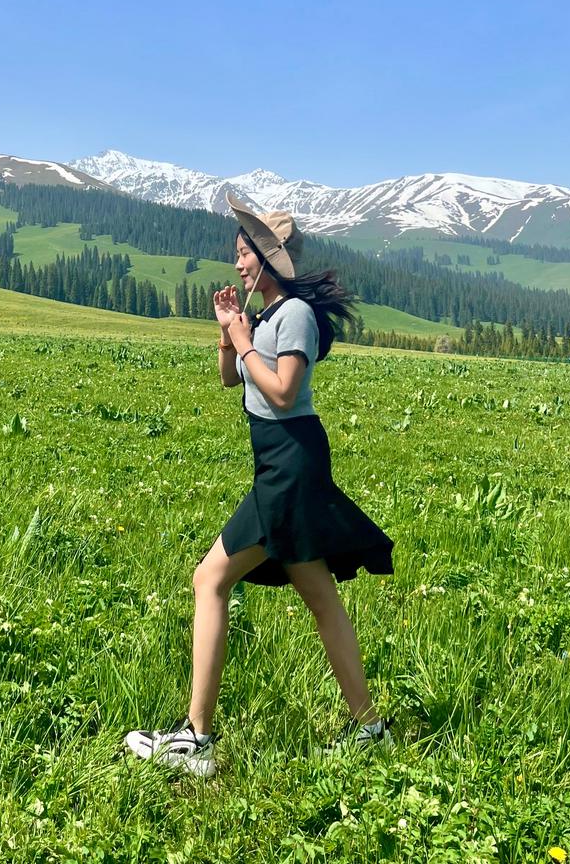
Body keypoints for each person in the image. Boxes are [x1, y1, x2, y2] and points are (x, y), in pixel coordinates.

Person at [123, 192, 394, 777]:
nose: (238, 263)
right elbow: (231, 380)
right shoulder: (266, 316)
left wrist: (245, 341)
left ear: (269, 260)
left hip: (291, 464)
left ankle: (196, 740)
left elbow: (284, 392)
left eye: (245, 254)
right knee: (321, 599)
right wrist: (228, 333)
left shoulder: (294, 314)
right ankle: (371, 729)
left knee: (209, 579)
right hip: (280, 461)